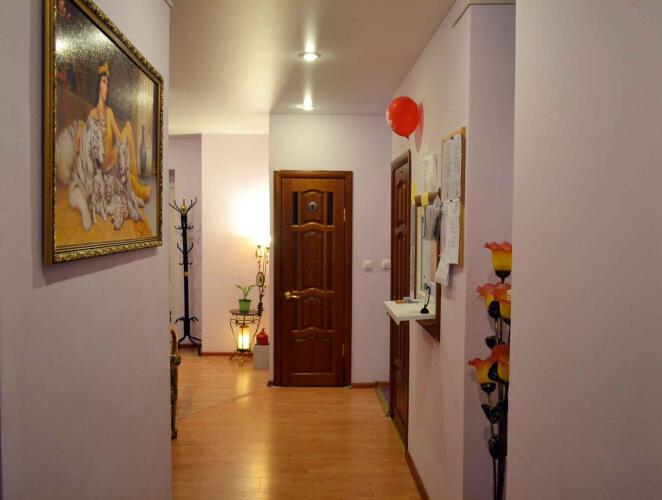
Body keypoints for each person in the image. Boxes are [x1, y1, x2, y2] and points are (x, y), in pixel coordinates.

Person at [86, 61, 151, 202]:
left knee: (127, 127)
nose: (106, 87)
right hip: (101, 168)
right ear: (98, 85)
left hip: (111, 160)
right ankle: (136, 187)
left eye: (107, 84)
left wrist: (124, 145)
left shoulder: (109, 112)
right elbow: (90, 149)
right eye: (104, 82)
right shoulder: (92, 115)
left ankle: (134, 180)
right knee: (120, 165)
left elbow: (119, 137)